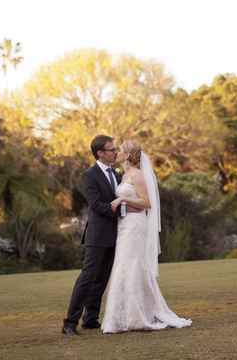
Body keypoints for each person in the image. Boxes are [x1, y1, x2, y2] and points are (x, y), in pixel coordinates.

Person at [101, 139, 192, 333]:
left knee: (133, 266)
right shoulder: (124, 175)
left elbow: (147, 203)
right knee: (123, 267)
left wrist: (123, 198)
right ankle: (120, 318)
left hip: (135, 225)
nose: (117, 152)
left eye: (121, 150)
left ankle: (138, 317)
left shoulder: (138, 175)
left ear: (128, 155)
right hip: (124, 225)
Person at [62, 135, 125, 335]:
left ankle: (90, 319)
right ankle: (69, 323)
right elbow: (96, 205)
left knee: (102, 278)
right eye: (111, 149)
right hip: (97, 235)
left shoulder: (116, 174)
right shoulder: (90, 175)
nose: (115, 152)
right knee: (87, 277)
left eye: (115, 149)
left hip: (116, 234)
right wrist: (116, 207)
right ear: (100, 153)